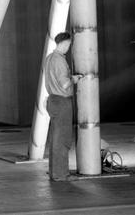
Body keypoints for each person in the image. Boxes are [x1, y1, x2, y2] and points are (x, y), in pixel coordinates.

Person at [44, 31, 78, 181]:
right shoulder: (59, 60)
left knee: (55, 139)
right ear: (64, 43)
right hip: (62, 102)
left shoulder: (49, 58)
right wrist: (74, 79)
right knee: (62, 140)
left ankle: (54, 173)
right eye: (69, 44)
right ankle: (61, 175)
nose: (69, 47)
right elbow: (64, 84)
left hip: (52, 100)